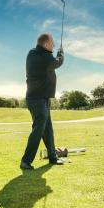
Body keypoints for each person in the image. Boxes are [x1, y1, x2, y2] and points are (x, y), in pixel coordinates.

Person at [20, 34, 64, 170]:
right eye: (52, 43)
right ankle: (25, 161)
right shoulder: (44, 56)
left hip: (43, 98)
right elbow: (58, 62)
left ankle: (52, 157)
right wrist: (61, 54)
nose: (54, 45)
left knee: (48, 129)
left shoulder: (34, 53)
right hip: (36, 99)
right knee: (39, 129)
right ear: (45, 45)